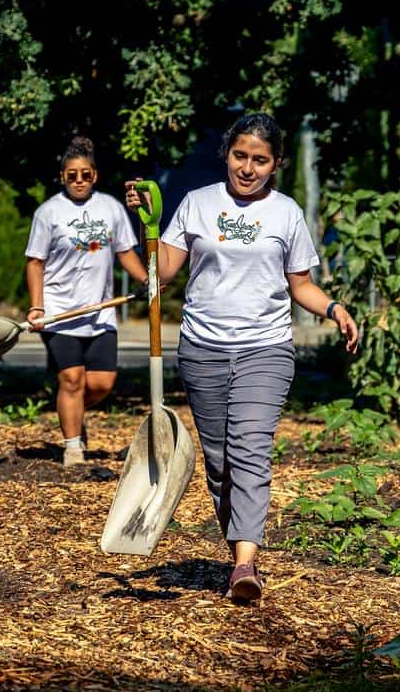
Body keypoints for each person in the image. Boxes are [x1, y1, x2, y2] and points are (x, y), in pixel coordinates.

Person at [125, 112, 358, 602]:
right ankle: (238, 552)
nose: (248, 168)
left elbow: (302, 286)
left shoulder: (286, 213)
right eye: (240, 156)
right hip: (203, 349)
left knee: (249, 449)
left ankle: (245, 565)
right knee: (219, 463)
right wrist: (143, 225)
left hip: (265, 349)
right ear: (227, 154)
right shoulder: (197, 203)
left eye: (260, 160)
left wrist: (334, 308)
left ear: (275, 165)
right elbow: (160, 273)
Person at [26, 136, 148, 467]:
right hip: (59, 311)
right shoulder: (48, 212)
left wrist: (147, 280)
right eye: (71, 175)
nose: (78, 180)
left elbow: (125, 252)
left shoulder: (111, 208)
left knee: (102, 383)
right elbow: (35, 262)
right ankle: (73, 448)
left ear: (94, 174)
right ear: (62, 176)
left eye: (85, 174)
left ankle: (72, 409)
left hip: (100, 312)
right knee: (72, 379)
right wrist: (37, 306)